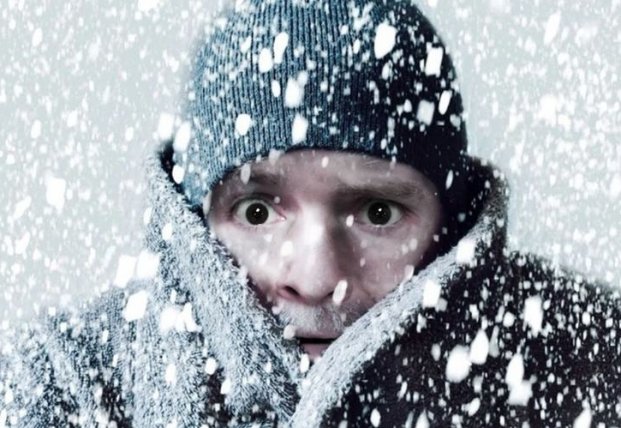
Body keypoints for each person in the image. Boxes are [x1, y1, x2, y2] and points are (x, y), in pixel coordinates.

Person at [1, 0, 620, 426]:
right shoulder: (63, 385)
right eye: (257, 212)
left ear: (453, 233)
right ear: (189, 227)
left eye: (378, 212)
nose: (317, 277)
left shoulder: (589, 365)